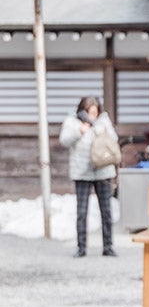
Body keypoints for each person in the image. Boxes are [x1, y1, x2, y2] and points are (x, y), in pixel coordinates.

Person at [59, 96, 119, 258]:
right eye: (89, 111)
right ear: (83, 110)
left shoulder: (103, 121)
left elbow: (114, 140)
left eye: (95, 111)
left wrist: (102, 132)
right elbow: (64, 140)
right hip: (82, 171)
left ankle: (108, 246)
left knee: (106, 211)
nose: (93, 114)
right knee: (82, 211)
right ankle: (81, 247)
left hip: (103, 171)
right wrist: (80, 131)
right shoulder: (72, 122)